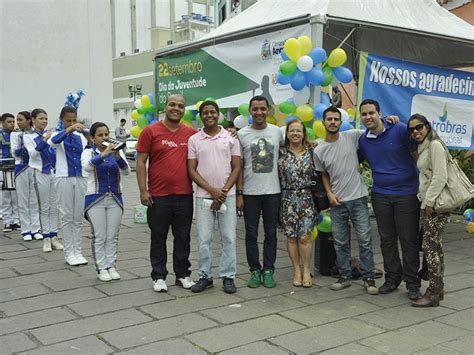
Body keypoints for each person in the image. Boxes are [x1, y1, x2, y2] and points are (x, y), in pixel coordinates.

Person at [358, 99, 421, 300]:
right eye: (364, 114)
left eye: (371, 113)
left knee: (408, 240)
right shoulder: (363, 141)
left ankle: (412, 283)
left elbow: (419, 149)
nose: (368, 117)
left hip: (407, 194)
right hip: (380, 194)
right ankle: (393, 278)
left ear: (379, 113)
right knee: (387, 240)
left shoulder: (399, 129)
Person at [313, 106, 378, 295]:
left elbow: (374, 128)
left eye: (336, 119)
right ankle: (344, 277)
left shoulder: (352, 136)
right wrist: (329, 194)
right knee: (340, 242)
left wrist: (391, 119)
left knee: (365, 240)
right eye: (329, 119)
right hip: (337, 201)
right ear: (323, 122)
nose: (333, 122)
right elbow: (323, 174)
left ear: (340, 123)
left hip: (358, 198)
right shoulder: (319, 149)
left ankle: (369, 278)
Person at [136, 94, 196, 293]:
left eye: (180, 106)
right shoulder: (150, 131)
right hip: (158, 196)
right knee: (158, 237)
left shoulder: (191, 134)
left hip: (184, 195)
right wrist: (143, 191)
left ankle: (182, 275)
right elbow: (141, 162)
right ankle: (159, 276)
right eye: (172, 105)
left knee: (183, 237)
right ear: (165, 106)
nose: (176, 108)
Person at [187, 100, 241, 294]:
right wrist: (212, 190)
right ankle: (205, 276)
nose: (209, 115)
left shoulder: (231, 138)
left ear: (219, 115)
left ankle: (228, 276)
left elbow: (236, 167)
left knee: (228, 237)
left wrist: (223, 191)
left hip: (228, 195)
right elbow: (192, 170)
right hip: (203, 197)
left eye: (213, 112)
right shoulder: (194, 140)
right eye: (205, 113)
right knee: (204, 238)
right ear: (200, 116)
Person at [237, 95, 283, 288]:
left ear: (268, 110)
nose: (259, 112)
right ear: (250, 111)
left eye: (262, 109)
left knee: (271, 233)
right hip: (250, 193)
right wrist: (239, 193)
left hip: (273, 192)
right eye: (255, 109)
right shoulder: (241, 135)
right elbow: (238, 167)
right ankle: (255, 270)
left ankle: (269, 270)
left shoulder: (277, 132)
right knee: (251, 234)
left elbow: (295, 144)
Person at [408, 114, 449, 307]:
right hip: (431, 203)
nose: (416, 131)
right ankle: (438, 288)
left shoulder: (435, 145)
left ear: (427, 126)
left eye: (419, 127)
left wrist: (429, 204)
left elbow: (440, 177)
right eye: (412, 129)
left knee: (430, 248)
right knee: (436, 247)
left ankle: (433, 292)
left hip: (435, 205)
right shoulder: (424, 147)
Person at [82, 122, 130, 281]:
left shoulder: (117, 152)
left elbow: (127, 172)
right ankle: (101, 268)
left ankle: (111, 265)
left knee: (113, 235)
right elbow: (87, 167)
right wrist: (103, 155)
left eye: (106, 134)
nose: (104, 138)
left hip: (115, 197)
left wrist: (117, 156)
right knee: (100, 235)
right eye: (100, 135)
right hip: (95, 198)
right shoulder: (88, 152)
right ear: (92, 137)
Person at [278, 118, 317, 288]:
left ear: (303, 133)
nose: (295, 133)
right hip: (287, 199)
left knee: (304, 237)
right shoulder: (280, 152)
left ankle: (307, 269)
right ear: (287, 134)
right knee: (292, 237)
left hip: (306, 198)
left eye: (298, 131)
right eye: (292, 130)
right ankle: (296, 270)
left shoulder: (313, 151)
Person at [48, 106, 88, 266]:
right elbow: (52, 142)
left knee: (78, 216)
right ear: (62, 120)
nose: (71, 123)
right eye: (68, 121)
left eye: (73, 120)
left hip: (81, 177)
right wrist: (69, 129)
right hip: (63, 177)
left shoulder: (82, 137)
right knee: (67, 216)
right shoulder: (58, 134)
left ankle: (77, 251)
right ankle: (69, 253)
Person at [23, 109, 63, 252]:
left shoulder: (50, 133)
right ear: (33, 120)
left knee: (55, 206)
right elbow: (33, 154)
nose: (44, 121)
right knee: (45, 206)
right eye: (41, 118)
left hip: (53, 172)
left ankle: (54, 237)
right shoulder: (28, 136)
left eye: (46, 118)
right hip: (40, 172)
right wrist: (45, 140)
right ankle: (46, 238)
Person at [11, 111, 41, 241]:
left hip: (34, 168)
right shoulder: (15, 134)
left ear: (29, 120)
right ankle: (26, 230)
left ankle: (36, 229)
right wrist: (25, 145)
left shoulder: (36, 133)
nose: (18, 122)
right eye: (17, 120)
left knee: (34, 200)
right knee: (23, 200)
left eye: (21, 119)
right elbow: (14, 153)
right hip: (21, 167)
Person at [0, 113, 20, 232]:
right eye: (9, 122)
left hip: (15, 168)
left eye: (13, 121)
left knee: (16, 197)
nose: (12, 124)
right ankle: (7, 221)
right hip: (2, 169)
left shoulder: (17, 135)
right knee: (5, 196)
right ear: (2, 123)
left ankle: (16, 221)